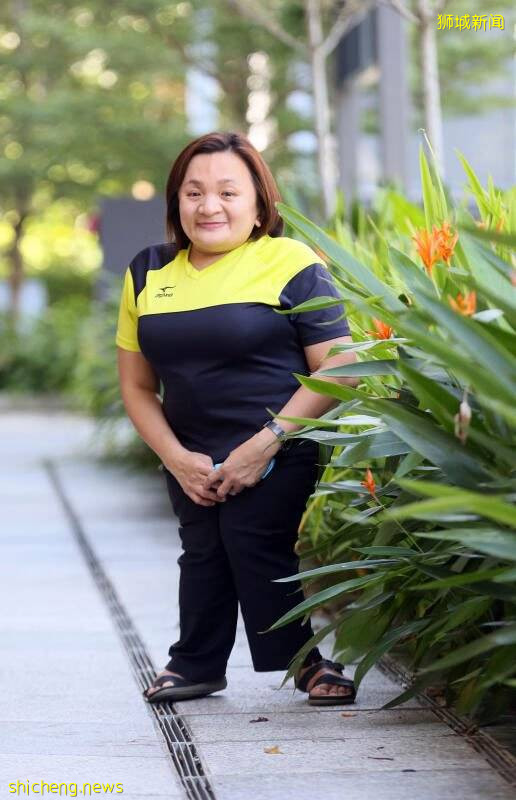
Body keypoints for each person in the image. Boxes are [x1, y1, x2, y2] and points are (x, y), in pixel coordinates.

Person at [116, 131, 359, 707]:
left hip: (279, 441)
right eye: (194, 192)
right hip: (188, 448)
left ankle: (301, 662)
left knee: (254, 538)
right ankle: (197, 664)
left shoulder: (291, 261)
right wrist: (176, 458)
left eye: (228, 192)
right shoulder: (148, 271)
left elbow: (343, 364)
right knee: (202, 546)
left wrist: (265, 443)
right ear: (177, 201)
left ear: (258, 203)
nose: (210, 206)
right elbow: (137, 386)